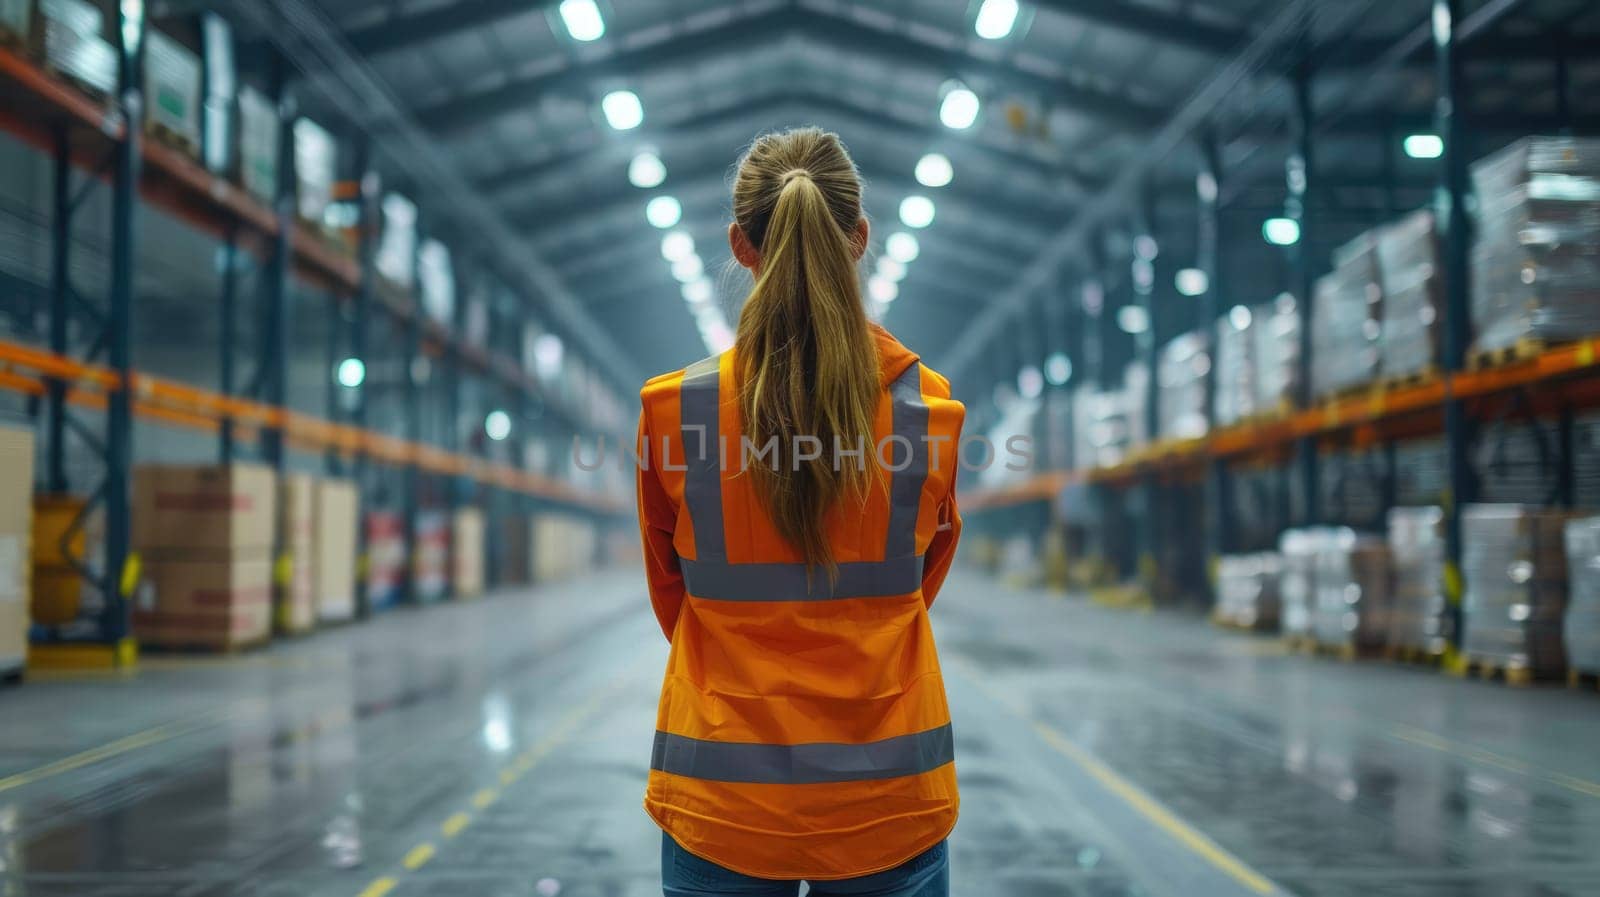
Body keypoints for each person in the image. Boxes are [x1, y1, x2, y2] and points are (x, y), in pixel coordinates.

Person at [634, 127, 966, 897]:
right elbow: (923, 580)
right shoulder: (928, 412)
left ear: (739, 245)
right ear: (860, 239)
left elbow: (669, 593)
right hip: (887, 793)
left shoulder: (674, 412)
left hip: (723, 798)